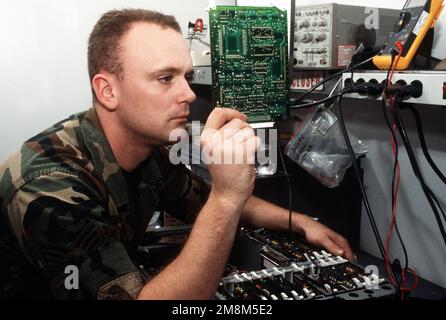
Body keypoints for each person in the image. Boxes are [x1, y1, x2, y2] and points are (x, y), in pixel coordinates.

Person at [0, 9, 353, 300]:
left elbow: (201, 200)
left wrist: (299, 221)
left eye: (185, 76)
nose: (187, 94)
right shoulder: (51, 185)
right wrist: (227, 197)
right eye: (165, 78)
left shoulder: (148, 151)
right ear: (107, 91)